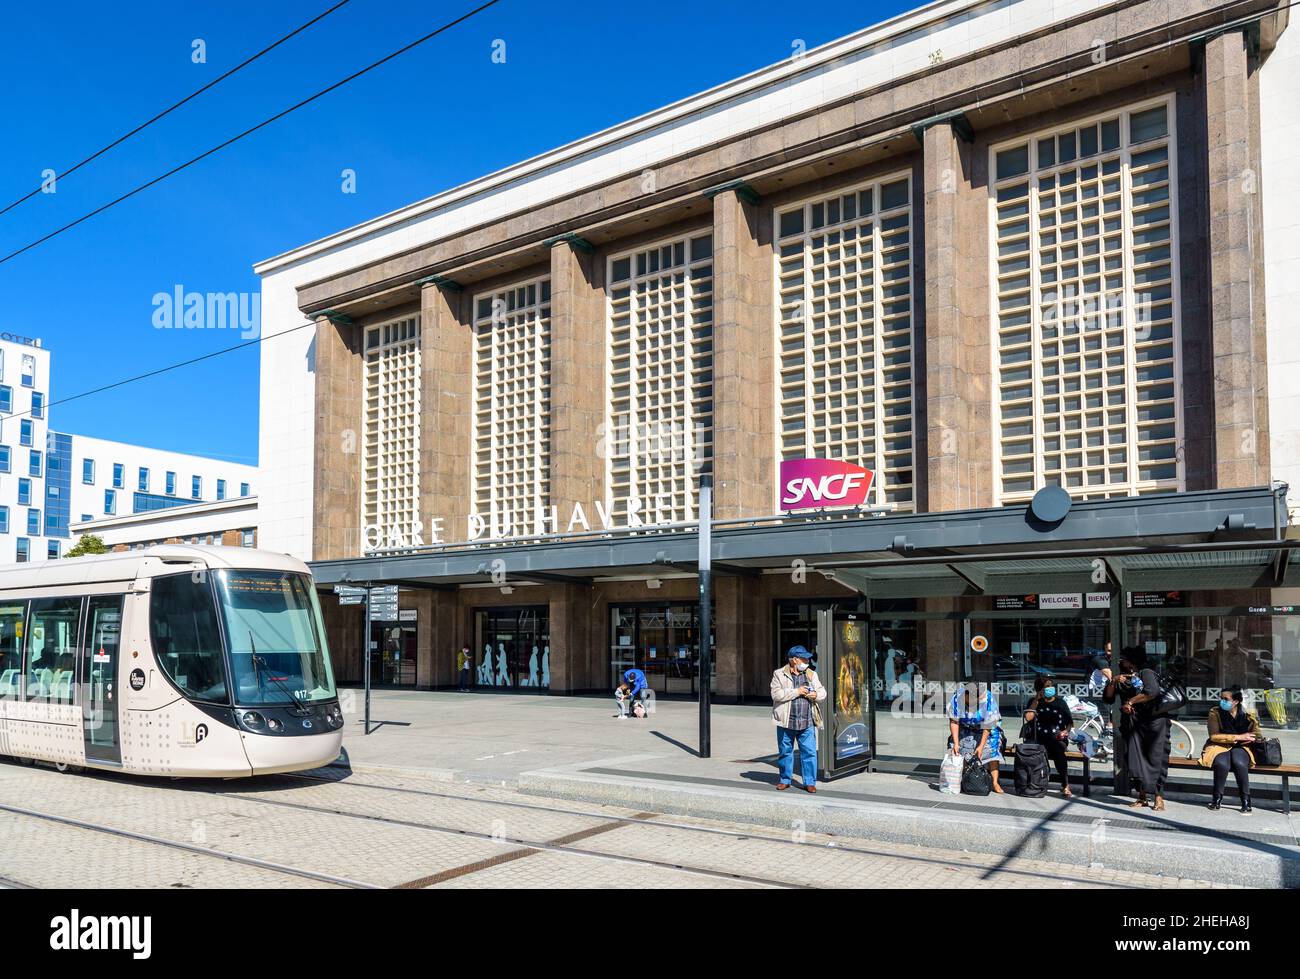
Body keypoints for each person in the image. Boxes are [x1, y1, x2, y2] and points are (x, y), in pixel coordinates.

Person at [1106, 646, 1170, 811]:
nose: (1121, 660)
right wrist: (1114, 681)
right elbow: (1108, 698)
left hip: (1153, 724)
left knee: (1155, 759)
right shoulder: (1121, 675)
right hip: (1133, 725)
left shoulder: (1146, 672)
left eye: (1123, 657)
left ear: (1132, 660)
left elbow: (1152, 692)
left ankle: (1158, 797)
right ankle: (1142, 796)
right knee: (1134, 760)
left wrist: (1130, 702)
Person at [770, 645, 826, 793]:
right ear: (794, 660)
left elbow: (822, 692)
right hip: (786, 722)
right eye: (803, 658)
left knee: (809, 752)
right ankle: (785, 780)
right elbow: (776, 695)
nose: (807, 661)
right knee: (785, 752)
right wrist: (797, 691)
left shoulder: (811, 674)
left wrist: (816, 695)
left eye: (807, 658)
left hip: (807, 721)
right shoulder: (779, 674)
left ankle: (809, 782)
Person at [1199, 685, 1261, 813]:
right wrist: (1238, 736)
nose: (1222, 701)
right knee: (1221, 764)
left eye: (1226, 699)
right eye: (1221, 698)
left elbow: (1257, 733)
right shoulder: (1215, 712)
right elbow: (1214, 736)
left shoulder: (1248, 714)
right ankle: (1216, 798)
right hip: (1219, 746)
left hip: (1242, 746)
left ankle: (1245, 799)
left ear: (1236, 701)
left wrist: (1251, 738)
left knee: (1239, 763)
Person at [946, 683, 1004, 793]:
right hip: (965, 726)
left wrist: (981, 746)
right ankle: (965, 778)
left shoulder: (987, 699)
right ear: (965, 695)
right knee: (957, 747)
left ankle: (994, 782)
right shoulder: (956, 698)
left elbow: (988, 725)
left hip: (987, 728)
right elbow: (954, 721)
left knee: (992, 746)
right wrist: (956, 743)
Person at [1024, 673, 1074, 798]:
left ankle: (1065, 784)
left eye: (1051, 686)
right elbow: (1028, 718)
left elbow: (1069, 723)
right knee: (1037, 750)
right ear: (1040, 689)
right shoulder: (1034, 702)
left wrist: (1065, 731)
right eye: (1047, 686)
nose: (1050, 688)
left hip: (1057, 737)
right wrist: (1037, 699)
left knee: (1058, 750)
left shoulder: (1060, 702)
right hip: (1039, 737)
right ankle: (1036, 782)